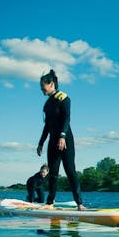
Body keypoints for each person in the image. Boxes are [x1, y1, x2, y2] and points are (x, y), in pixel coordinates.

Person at [37, 69, 86, 211]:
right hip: (53, 141)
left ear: (51, 84)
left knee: (70, 171)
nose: (41, 89)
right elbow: (47, 125)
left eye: (43, 86)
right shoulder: (47, 104)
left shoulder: (63, 98)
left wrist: (62, 136)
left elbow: (67, 118)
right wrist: (41, 142)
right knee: (53, 173)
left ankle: (80, 203)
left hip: (65, 140)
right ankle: (50, 202)